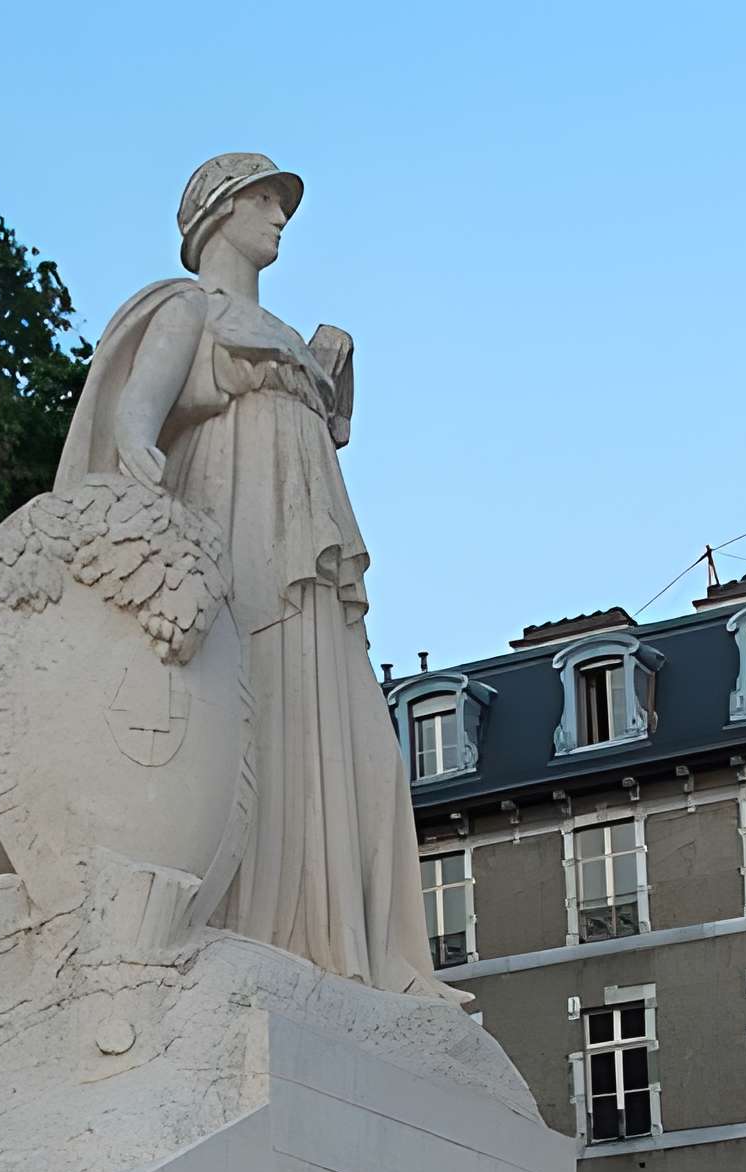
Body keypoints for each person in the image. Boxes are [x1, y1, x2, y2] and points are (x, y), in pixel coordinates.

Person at [56, 152, 465, 1002]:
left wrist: (330, 367)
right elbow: (140, 416)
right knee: (264, 715)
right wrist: (136, 460)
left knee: (361, 746)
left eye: (282, 205)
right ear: (219, 213)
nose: (280, 218)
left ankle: (368, 955)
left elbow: (326, 430)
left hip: (304, 547)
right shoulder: (189, 310)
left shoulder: (282, 334)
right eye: (266, 202)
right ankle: (254, 927)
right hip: (237, 529)